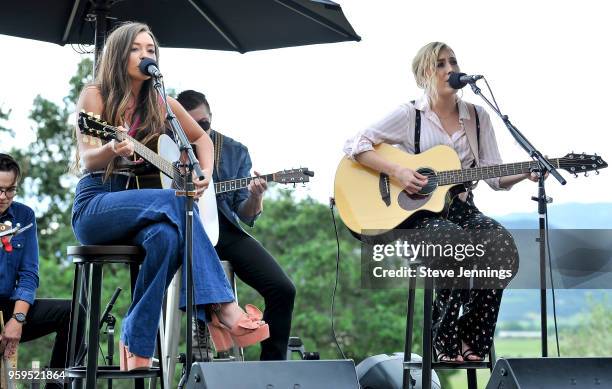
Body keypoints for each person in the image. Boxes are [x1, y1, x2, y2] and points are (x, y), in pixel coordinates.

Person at [72, 22, 268, 371]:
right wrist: (111, 149)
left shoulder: (162, 102)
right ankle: (222, 306)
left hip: (146, 209)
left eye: (151, 50)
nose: (146, 55)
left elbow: (203, 141)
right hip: (98, 203)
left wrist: (204, 172)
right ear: (119, 52)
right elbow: (86, 159)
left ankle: (136, 341)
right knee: (177, 202)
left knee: (165, 237)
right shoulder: (95, 95)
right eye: (136, 48)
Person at [343, 42, 539, 362]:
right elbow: (356, 144)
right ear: (424, 75)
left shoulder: (477, 117)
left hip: (459, 206)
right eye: (440, 64)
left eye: (453, 62)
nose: (450, 69)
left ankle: (471, 338)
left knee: (501, 244)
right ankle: (442, 340)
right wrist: (399, 171)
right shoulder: (409, 115)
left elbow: (494, 177)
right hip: (413, 215)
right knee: (450, 243)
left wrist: (524, 174)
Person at [177, 90, 296, 361]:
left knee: (283, 288)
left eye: (204, 123)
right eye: (191, 125)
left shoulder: (233, 151)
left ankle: (272, 370)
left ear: (211, 118)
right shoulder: (166, 146)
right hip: (182, 231)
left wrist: (256, 195)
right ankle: (204, 322)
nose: (199, 129)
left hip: (225, 231)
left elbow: (246, 214)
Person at [0, 153, 84, 389]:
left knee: (73, 312)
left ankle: (56, 386)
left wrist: (17, 319)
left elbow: (28, 273)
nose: (3, 197)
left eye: (10, 190)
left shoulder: (24, 216)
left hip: (9, 308)